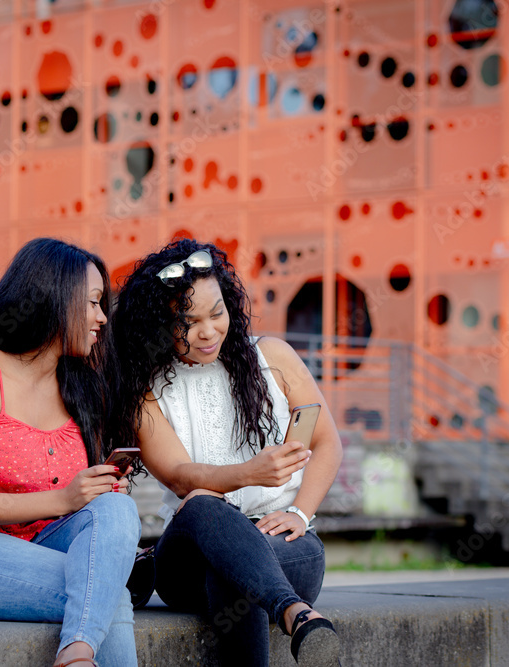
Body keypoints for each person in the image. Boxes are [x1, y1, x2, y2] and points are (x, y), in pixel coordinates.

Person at [111, 239, 343, 667]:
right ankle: (295, 614)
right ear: (161, 325)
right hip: (188, 561)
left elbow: (327, 441)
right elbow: (180, 476)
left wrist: (301, 513)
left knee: (231, 564)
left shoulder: (272, 357)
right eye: (189, 321)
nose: (208, 330)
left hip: (285, 546)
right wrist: (249, 473)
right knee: (199, 503)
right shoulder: (147, 391)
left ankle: (295, 611)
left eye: (217, 313)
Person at [0, 238, 140, 667]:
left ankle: (78, 652)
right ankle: (79, 651)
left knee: (117, 510)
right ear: (55, 298)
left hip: (40, 545)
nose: (101, 317)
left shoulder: (79, 388)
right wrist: (64, 498)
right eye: (92, 303)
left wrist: (95, 492)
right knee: (107, 594)